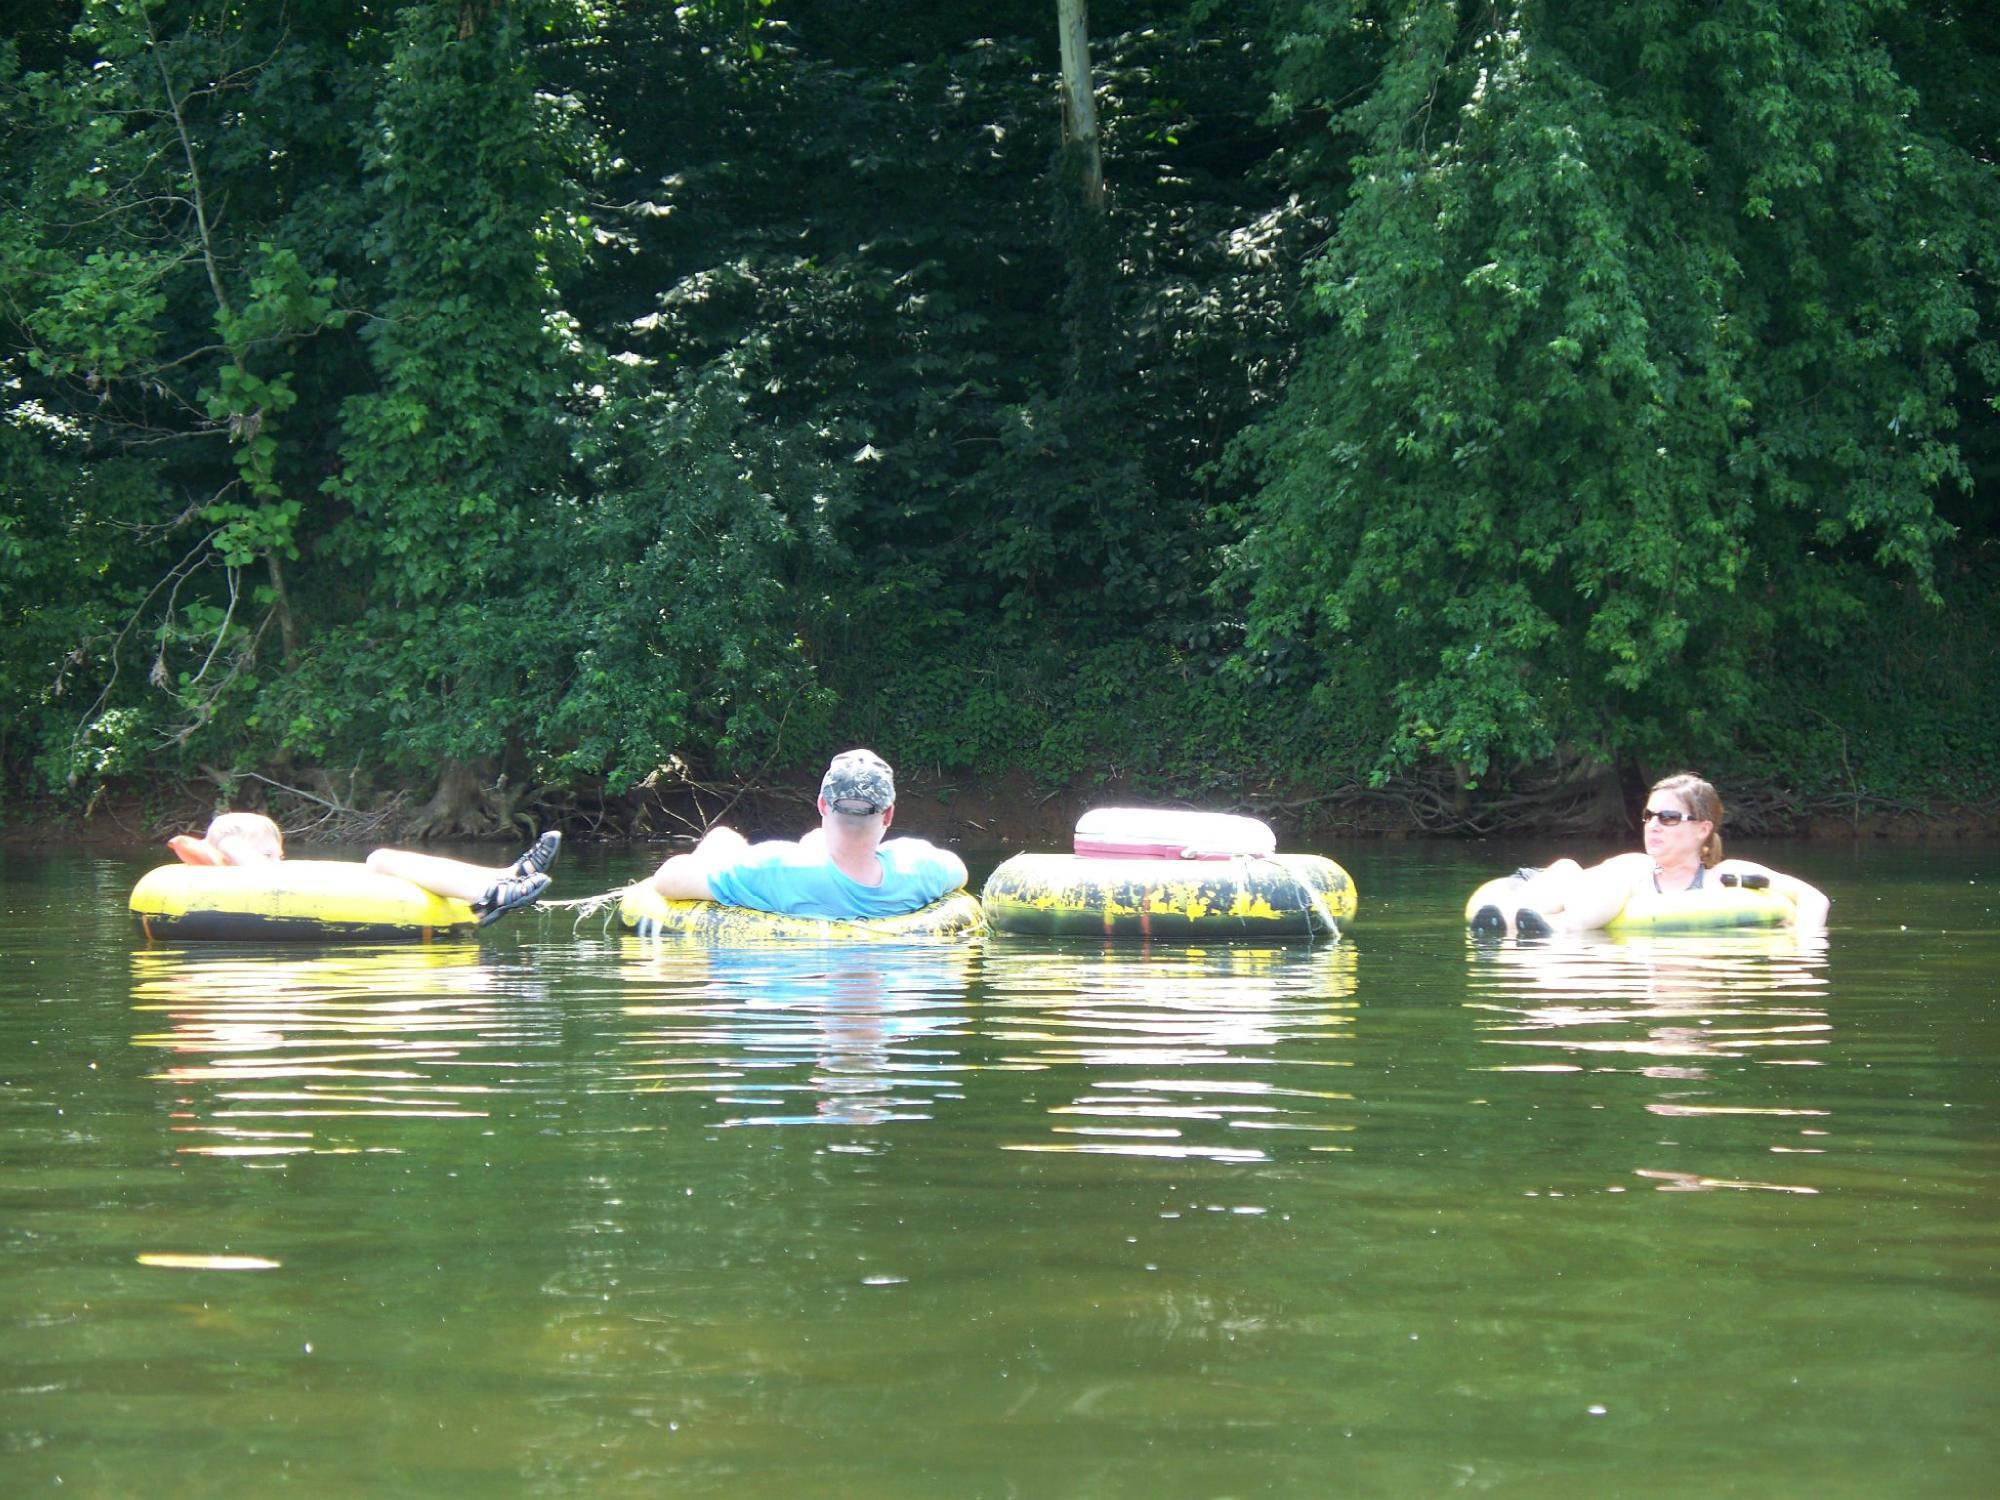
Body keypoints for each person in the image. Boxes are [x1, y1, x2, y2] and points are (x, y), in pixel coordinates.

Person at [1473, 771, 1830, 936]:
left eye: (1669, 817)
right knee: (1568, 867)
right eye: (1649, 816)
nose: (1653, 825)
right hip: (1560, 886)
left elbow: (1814, 898)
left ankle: (1556, 931)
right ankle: (1506, 922)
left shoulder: (1725, 874)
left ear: (1703, 829)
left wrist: (1803, 944)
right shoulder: (1634, 869)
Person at [646, 749, 968, 920]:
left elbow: (667, 880)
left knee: (722, 839)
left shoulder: (777, 869)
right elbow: (959, 871)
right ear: (889, 814)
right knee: (813, 843)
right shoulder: (919, 870)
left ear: (822, 805)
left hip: (800, 878)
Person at [168, 811, 560, 926]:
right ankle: (490, 894)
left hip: (342, 888)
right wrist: (230, 843)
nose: (277, 861)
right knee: (380, 859)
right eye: (270, 854)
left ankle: (504, 876)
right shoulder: (244, 872)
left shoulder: (262, 870)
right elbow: (243, 859)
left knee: (384, 859)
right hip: (327, 897)